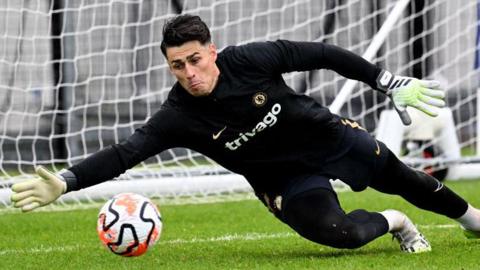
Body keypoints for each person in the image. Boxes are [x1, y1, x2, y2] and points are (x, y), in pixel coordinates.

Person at [10, 14, 480, 253]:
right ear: (169, 67)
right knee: (338, 235)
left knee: (410, 180)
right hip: (284, 180)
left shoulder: (251, 59)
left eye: (195, 59)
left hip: (325, 136)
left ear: (211, 51)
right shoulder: (178, 116)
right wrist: (66, 181)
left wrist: (383, 80)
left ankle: (474, 221)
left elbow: (322, 53)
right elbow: (125, 153)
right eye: (177, 66)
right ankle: (397, 222)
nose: (189, 73)